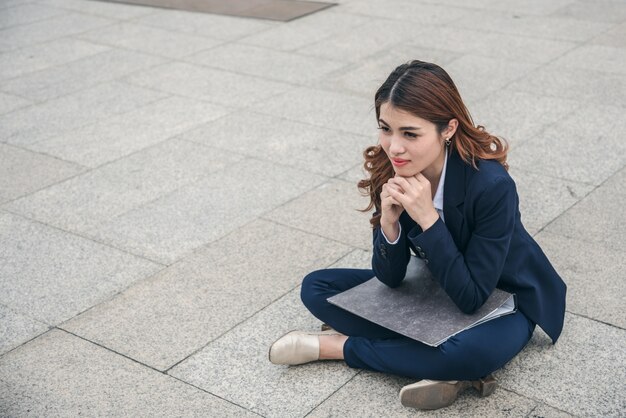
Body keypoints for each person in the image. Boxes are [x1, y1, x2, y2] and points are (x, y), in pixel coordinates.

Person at [268, 60, 567, 410]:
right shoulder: (393, 168)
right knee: (317, 288)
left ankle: (338, 347)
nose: (394, 147)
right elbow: (390, 279)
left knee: (471, 352)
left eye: (410, 134)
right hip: (435, 288)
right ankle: (436, 362)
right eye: (385, 129)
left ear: (448, 129)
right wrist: (390, 228)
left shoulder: (492, 186)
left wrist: (428, 219)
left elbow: (472, 297)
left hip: (504, 299)